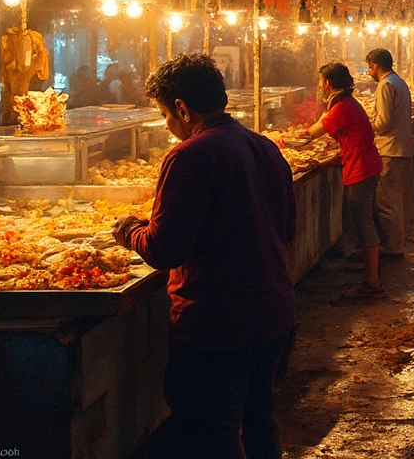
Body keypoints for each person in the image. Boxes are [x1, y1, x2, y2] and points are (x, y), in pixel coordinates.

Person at [113, 54, 295, 459]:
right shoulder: (264, 147)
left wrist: (129, 230)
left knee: (210, 434)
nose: (165, 125)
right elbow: (287, 231)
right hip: (273, 316)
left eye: (164, 113)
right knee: (260, 420)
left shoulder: (190, 155)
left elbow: (164, 249)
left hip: (216, 326)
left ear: (182, 108)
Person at [306, 62, 384, 298]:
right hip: (362, 163)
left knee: (364, 221)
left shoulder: (342, 106)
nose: (320, 85)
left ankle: (372, 282)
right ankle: (371, 272)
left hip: (361, 167)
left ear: (327, 83)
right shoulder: (344, 102)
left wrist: (292, 139)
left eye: (321, 81)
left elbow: (314, 132)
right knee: (365, 220)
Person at [365, 48, 413, 257]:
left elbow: (382, 123)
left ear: (375, 65)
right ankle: (396, 243)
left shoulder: (386, 85)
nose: (369, 72)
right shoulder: (399, 82)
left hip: (390, 149)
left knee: (387, 203)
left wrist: (367, 122)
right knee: (394, 200)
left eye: (369, 67)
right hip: (399, 147)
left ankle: (393, 247)